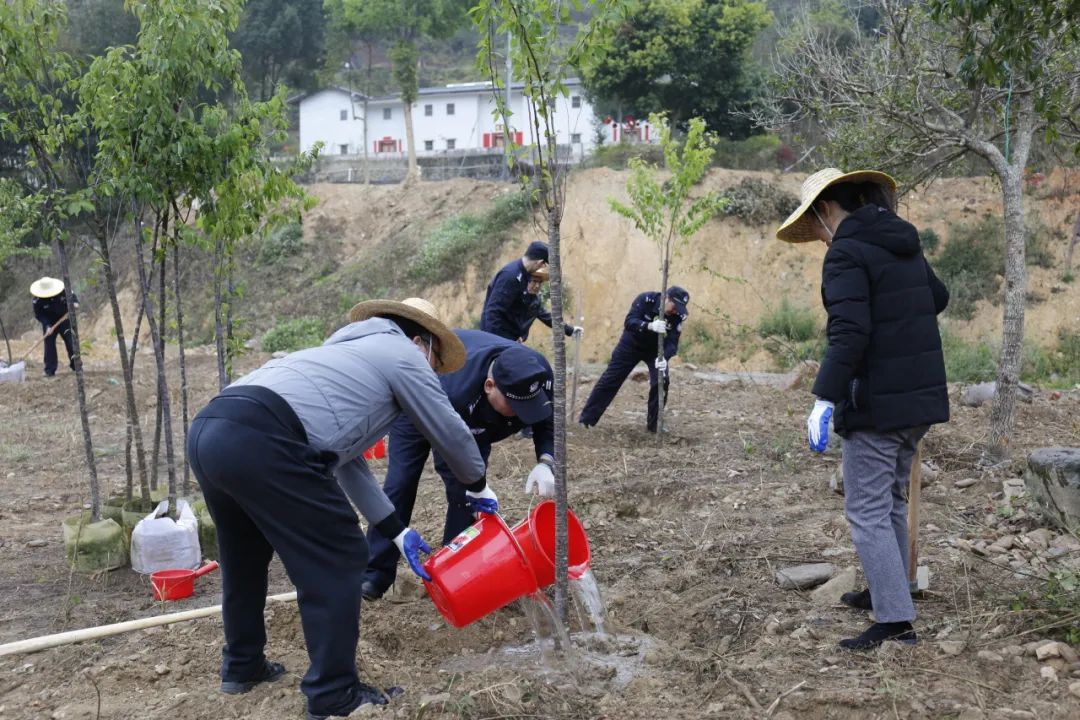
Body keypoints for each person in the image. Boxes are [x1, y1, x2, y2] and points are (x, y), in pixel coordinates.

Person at [186, 298, 499, 720]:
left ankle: (242, 666)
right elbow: (450, 431)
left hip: (212, 429)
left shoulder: (340, 356)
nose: (434, 371)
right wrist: (477, 485)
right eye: (437, 360)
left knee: (244, 558)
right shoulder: (402, 354)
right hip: (265, 437)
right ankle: (333, 693)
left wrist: (396, 529)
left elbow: (342, 459)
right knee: (341, 556)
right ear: (421, 341)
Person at [776, 168, 949, 651]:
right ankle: (890, 590)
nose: (821, 237)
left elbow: (849, 333)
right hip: (919, 398)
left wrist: (824, 398)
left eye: (817, 225)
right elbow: (938, 297)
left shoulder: (847, 251)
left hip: (877, 402)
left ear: (826, 210)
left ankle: (895, 621)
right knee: (888, 500)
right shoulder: (902, 241)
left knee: (866, 508)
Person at [361, 330, 557, 600]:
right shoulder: (458, 390)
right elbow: (453, 448)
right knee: (401, 481)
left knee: (465, 495)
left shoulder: (538, 374)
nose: (522, 417)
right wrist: (472, 482)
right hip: (419, 406)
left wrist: (546, 461)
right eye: (515, 407)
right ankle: (375, 574)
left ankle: (451, 576)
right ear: (490, 385)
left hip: (478, 423)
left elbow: (547, 420)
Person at [578, 287, 689, 433]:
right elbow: (629, 322)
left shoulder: (677, 317)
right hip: (631, 345)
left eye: (679, 309)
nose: (675, 311)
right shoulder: (645, 299)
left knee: (662, 381)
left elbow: (673, 342)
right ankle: (586, 420)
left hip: (655, 351)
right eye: (674, 307)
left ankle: (655, 425)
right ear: (666, 298)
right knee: (610, 380)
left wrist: (664, 357)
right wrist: (648, 326)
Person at [480, 240, 550, 341]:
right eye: (543, 264)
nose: (541, 267)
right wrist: (495, 343)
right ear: (540, 262)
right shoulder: (510, 275)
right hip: (497, 339)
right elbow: (493, 311)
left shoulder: (523, 276)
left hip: (509, 339)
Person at [520, 265, 582, 343]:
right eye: (534, 281)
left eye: (540, 282)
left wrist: (571, 330)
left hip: (517, 343)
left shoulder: (535, 301)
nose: (537, 286)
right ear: (526, 280)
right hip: (505, 338)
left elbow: (549, 319)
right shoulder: (514, 296)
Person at [30, 277, 77, 377]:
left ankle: (76, 365)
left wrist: (75, 303)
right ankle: (50, 370)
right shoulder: (37, 300)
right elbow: (39, 315)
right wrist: (47, 326)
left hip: (64, 319)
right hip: (49, 322)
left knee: (70, 341)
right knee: (49, 345)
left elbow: (73, 297)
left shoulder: (63, 291)